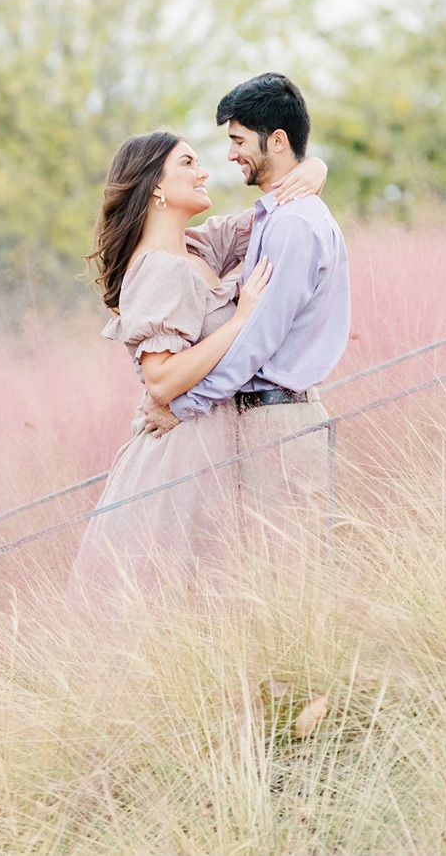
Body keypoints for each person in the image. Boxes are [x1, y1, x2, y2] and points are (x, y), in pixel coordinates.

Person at [68, 129, 326, 598]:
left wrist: (315, 168)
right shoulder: (156, 269)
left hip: (217, 441)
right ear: (156, 188)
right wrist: (241, 320)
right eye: (187, 163)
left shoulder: (197, 248)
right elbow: (162, 380)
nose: (203, 170)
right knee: (186, 595)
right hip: (182, 455)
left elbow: (277, 211)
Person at [144, 73, 351, 551]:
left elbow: (258, 339)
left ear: (276, 141)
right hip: (264, 422)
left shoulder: (294, 227)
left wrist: (184, 404)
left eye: (238, 140)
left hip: (279, 423)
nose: (231, 154)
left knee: (287, 579)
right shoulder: (276, 216)